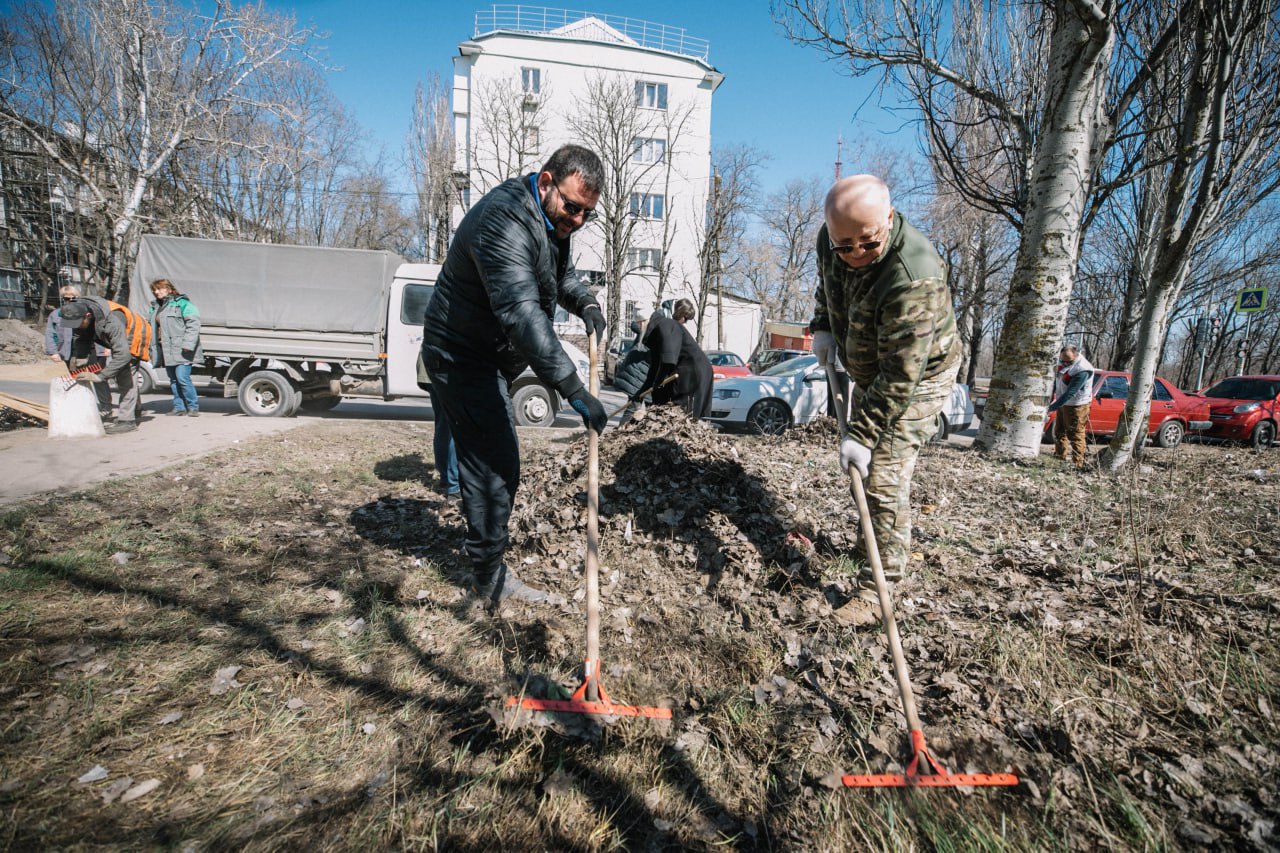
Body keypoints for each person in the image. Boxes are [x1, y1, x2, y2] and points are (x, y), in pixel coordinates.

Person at [420, 144, 609, 605]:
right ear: (546, 182)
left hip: (483, 355)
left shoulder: (550, 221)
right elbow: (523, 315)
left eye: (587, 214)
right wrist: (573, 388)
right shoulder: (503, 221)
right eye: (572, 207)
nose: (577, 221)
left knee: (481, 457)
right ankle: (488, 581)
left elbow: (555, 276)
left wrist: (585, 301)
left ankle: (486, 560)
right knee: (495, 464)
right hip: (461, 354)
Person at [810, 175, 961, 626]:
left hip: (921, 374)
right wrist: (822, 324)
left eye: (868, 243)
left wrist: (863, 433)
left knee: (883, 473)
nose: (855, 254)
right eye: (844, 245)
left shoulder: (915, 275)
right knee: (866, 465)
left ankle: (881, 586)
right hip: (873, 365)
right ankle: (868, 544)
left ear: (889, 220)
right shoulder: (831, 239)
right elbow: (828, 283)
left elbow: (902, 375)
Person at [59, 297, 147, 435]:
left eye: (77, 324)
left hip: (135, 333)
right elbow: (81, 338)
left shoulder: (112, 321)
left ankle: (127, 421)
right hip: (114, 337)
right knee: (125, 375)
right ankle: (136, 409)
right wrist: (80, 359)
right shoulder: (79, 314)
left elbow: (123, 355)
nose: (75, 327)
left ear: (87, 316)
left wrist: (101, 376)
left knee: (125, 376)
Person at [638, 298, 713, 418]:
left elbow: (668, 360)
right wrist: (641, 392)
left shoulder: (666, 325)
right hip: (689, 369)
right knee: (667, 402)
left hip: (693, 371)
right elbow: (655, 367)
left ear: (643, 322)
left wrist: (658, 382)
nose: (685, 322)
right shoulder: (660, 329)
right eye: (686, 318)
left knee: (685, 412)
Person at [44, 285, 110, 417]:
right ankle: (82, 405)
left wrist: (106, 348)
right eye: (66, 298)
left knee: (99, 379)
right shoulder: (56, 314)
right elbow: (51, 334)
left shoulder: (90, 312)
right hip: (70, 352)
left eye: (74, 298)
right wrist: (53, 351)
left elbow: (102, 330)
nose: (70, 301)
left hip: (93, 351)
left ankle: (105, 407)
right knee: (76, 379)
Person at [147, 278, 202, 417]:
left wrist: (188, 344)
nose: (156, 292)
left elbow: (193, 324)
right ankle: (179, 408)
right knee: (173, 380)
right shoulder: (155, 307)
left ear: (169, 289)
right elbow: (151, 328)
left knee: (182, 378)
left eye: (159, 288)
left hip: (182, 349)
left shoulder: (183, 303)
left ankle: (193, 407)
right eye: (154, 290)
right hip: (166, 349)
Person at [1048, 345, 1095, 469]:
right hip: (1064, 403)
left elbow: (1070, 393)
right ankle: (1059, 457)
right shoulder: (1064, 364)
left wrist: (1052, 407)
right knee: (1059, 432)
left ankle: (1078, 464)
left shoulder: (1083, 369)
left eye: (1068, 361)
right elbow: (1057, 382)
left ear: (1076, 355)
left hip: (1077, 405)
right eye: (1063, 360)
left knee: (1076, 434)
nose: (1064, 363)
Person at [611, 319, 652, 425]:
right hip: (636, 375)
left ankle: (628, 429)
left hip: (639, 374)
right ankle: (622, 431)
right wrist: (642, 324)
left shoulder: (651, 333)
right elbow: (634, 325)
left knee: (645, 407)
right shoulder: (650, 332)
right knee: (634, 407)